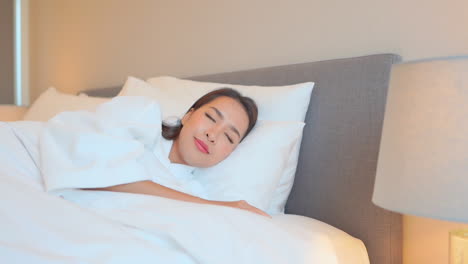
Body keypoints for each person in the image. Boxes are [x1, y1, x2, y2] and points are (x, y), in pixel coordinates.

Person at [41, 88, 269, 217]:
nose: (212, 135)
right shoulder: (142, 118)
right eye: (210, 117)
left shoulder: (193, 194)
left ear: (229, 153)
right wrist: (222, 207)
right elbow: (91, 165)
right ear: (188, 115)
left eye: (229, 137)